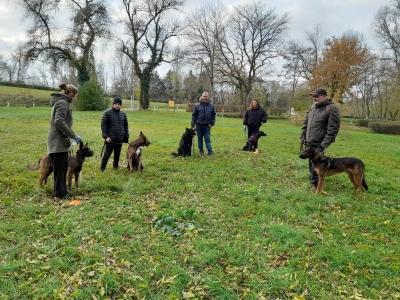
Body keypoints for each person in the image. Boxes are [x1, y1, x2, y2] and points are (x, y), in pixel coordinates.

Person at [300, 88, 341, 191]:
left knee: (317, 164)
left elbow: (332, 130)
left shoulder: (331, 109)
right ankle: (314, 181)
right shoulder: (312, 108)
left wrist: (323, 145)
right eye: (313, 96)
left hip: (319, 143)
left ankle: (316, 185)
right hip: (308, 142)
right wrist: (302, 136)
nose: (314, 98)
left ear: (323, 96)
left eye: (316, 96)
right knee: (311, 164)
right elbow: (306, 124)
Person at [48, 83, 82, 200]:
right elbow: (59, 121)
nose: (75, 98)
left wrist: (70, 137)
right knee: (59, 170)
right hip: (57, 143)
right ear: (71, 93)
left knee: (61, 169)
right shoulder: (62, 103)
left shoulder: (63, 102)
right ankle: (59, 194)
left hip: (60, 142)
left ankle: (62, 192)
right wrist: (73, 136)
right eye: (75, 95)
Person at [100, 96, 129, 171]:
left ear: (120, 105)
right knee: (107, 154)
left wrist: (126, 136)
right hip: (110, 139)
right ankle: (102, 168)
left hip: (120, 139)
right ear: (113, 104)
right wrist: (106, 136)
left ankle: (115, 166)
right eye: (115, 103)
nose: (117, 105)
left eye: (119, 104)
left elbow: (125, 126)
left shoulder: (123, 114)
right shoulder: (107, 113)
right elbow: (104, 126)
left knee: (117, 154)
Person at [191, 91, 216, 155]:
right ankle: (201, 151)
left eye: (206, 96)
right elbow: (194, 115)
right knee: (199, 139)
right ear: (202, 96)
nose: (205, 97)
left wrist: (212, 123)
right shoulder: (197, 105)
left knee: (207, 139)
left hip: (207, 126)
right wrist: (193, 124)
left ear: (208, 97)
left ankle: (210, 152)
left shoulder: (211, 106)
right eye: (204, 96)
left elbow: (213, 115)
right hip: (199, 125)